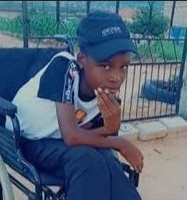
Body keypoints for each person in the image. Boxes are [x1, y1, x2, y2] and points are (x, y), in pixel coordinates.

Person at [6, 11, 144, 200]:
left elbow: (85, 134)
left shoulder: (106, 97)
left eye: (124, 67)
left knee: (109, 162)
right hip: (27, 138)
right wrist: (118, 142)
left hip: (60, 139)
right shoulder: (64, 67)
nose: (116, 78)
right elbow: (72, 136)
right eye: (105, 66)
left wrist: (110, 127)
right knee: (86, 160)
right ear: (82, 60)